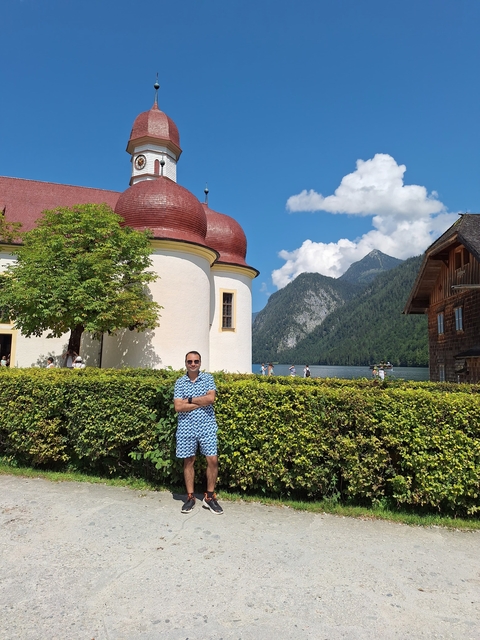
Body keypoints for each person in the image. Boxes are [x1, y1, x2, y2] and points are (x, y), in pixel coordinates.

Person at [173, 350, 223, 515]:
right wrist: (199, 401)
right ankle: (190, 496)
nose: (193, 364)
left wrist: (188, 400)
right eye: (190, 361)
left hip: (207, 425)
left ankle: (209, 497)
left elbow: (210, 399)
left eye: (196, 361)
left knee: (212, 460)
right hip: (186, 426)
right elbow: (178, 407)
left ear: (200, 363)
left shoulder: (208, 378)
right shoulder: (180, 382)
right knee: (189, 461)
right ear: (185, 363)